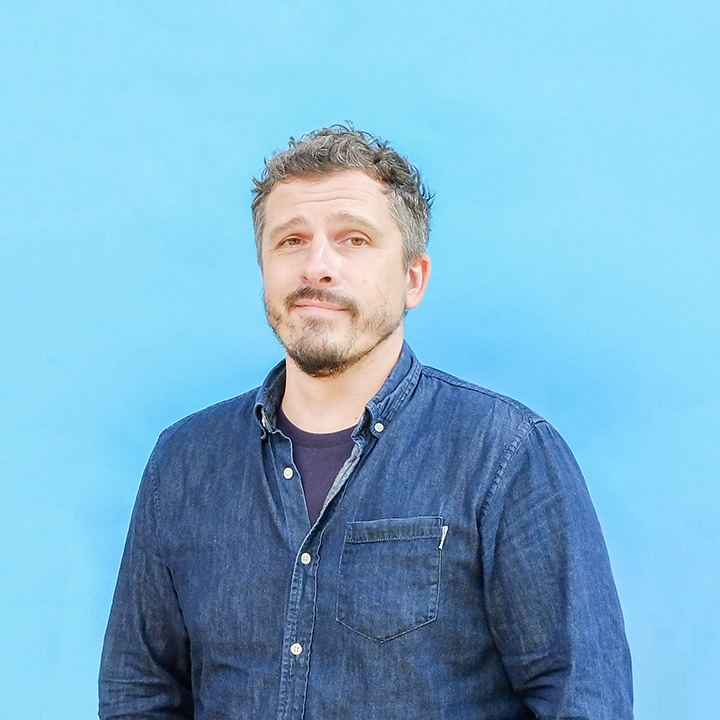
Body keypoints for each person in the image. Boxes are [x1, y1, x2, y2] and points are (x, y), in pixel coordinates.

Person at [99, 125, 633, 719]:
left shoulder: (505, 456)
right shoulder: (184, 462)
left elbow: (582, 698)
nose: (317, 267)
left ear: (413, 279)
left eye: (353, 239)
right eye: (291, 240)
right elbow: (139, 695)